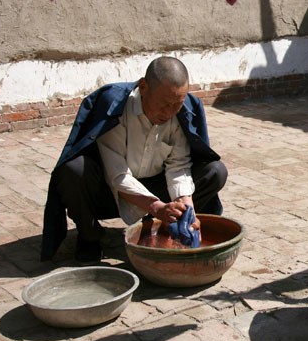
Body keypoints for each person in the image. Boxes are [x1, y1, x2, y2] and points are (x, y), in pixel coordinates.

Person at [41, 56, 227, 262]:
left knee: (215, 171)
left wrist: (186, 210)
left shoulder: (181, 111)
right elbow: (117, 174)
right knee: (73, 170)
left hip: (157, 185)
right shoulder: (115, 106)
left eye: (177, 104)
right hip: (109, 193)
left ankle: (165, 227)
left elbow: (179, 165)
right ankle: (89, 236)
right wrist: (157, 207)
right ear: (144, 86)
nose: (169, 112)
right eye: (164, 104)